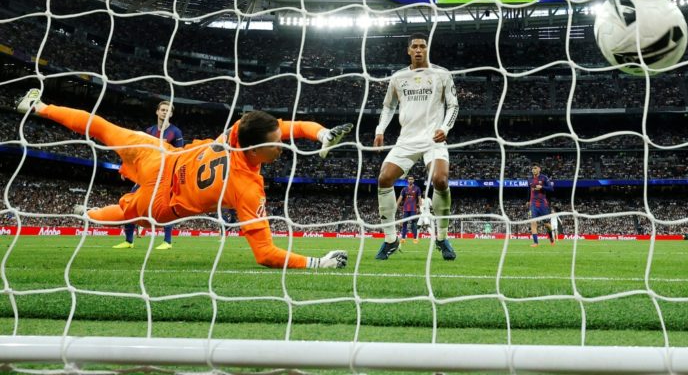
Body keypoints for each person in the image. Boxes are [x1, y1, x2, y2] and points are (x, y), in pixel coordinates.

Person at [17, 89, 351, 269]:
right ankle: (89, 214)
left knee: (104, 128)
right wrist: (317, 263)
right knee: (124, 212)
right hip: (164, 202)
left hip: (163, 158)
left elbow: (296, 127)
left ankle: (40, 106)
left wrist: (321, 134)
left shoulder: (241, 130)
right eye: (277, 143)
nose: (283, 144)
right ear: (255, 147)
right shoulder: (248, 189)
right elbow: (265, 254)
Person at [373, 33, 459, 260]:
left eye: (422, 46)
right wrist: (380, 130)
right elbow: (388, 106)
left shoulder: (442, 74)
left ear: (427, 49)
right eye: (415, 46)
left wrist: (445, 128)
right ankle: (390, 240)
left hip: (433, 139)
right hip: (407, 140)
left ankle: (442, 238)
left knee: (441, 180)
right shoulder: (398, 77)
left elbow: (454, 106)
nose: (419, 50)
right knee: (384, 179)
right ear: (409, 50)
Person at [113, 100, 184, 250]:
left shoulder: (176, 132)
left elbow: (180, 154)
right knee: (131, 203)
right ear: (157, 112)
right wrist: (126, 167)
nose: (165, 112)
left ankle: (167, 241)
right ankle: (129, 241)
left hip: (165, 175)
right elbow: (139, 152)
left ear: (171, 114)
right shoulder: (149, 131)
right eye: (162, 110)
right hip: (147, 175)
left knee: (166, 206)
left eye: (168, 110)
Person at [528, 162, 555, 247]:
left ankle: (551, 238)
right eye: (533, 168)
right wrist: (528, 201)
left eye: (535, 168)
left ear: (539, 169)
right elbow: (530, 191)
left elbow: (551, 188)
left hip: (543, 204)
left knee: (546, 224)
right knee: (533, 222)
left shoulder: (544, 178)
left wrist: (542, 187)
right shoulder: (529, 179)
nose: (534, 170)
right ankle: (535, 242)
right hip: (533, 203)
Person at [396, 176, 422, 244]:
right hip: (406, 209)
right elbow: (400, 197)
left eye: (411, 179)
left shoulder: (417, 188)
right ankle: (403, 238)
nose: (410, 180)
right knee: (404, 223)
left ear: (413, 180)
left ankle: (415, 238)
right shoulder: (404, 189)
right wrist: (396, 205)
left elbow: (419, 198)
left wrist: (421, 207)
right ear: (407, 180)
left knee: (414, 223)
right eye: (409, 179)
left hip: (413, 209)